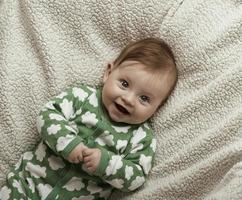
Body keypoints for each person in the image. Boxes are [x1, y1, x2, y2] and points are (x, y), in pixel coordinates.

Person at [0, 38, 178, 200]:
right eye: (124, 84)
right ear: (108, 72)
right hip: (25, 185)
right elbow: (47, 115)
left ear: (157, 108)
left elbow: (137, 177)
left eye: (144, 99)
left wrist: (106, 163)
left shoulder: (142, 137)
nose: (129, 99)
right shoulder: (81, 96)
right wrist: (68, 143)